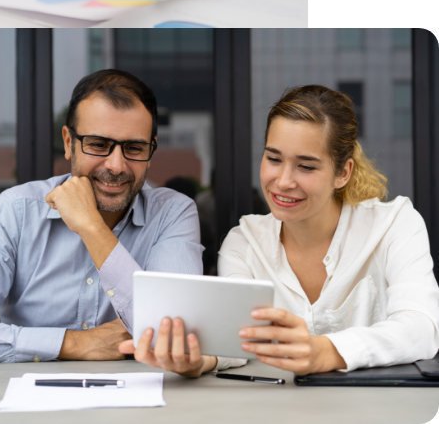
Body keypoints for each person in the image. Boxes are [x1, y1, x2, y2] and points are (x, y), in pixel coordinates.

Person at [119, 84, 439, 377]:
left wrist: (326, 351)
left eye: (306, 166)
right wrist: (197, 360)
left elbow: (421, 328)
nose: (283, 181)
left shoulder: (395, 224)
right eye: (274, 158)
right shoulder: (244, 242)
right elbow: (235, 338)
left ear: (343, 172)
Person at [0, 69, 202, 362]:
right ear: (69, 142)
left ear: (152, 149)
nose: (116, 165)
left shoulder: (173, 213)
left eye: (134, 148)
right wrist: (71, 343)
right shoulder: (17, 211)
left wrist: (91, 228)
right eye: (98, 144)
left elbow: (176, 334)